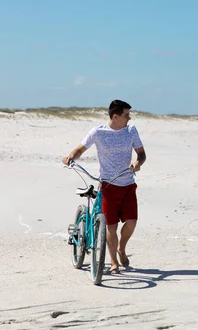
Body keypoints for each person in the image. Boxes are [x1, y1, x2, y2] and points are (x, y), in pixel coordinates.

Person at [62, 99, 146, 275]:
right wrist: (70, 157)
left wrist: (137, 163)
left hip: (128, 184)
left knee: (131, 223)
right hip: (108, 185)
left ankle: (121, 248)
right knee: (111, 227)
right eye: (126, 115)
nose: (129, 118)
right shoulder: (98, 132)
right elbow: (80, 150)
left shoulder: (131, 131)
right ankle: (114, 262)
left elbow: (141, 154)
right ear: (115, 116)